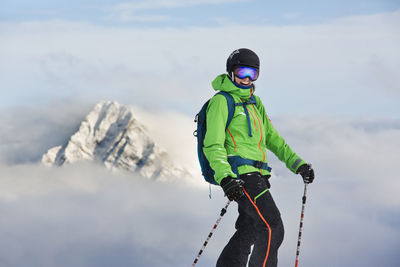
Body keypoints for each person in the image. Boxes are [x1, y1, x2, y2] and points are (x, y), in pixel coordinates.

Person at [203, 48, 315, 267]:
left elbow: (273, 139)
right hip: (241, 174)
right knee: (272, 227)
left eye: (252, 74)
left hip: (259, 174)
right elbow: (213, 144)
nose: (246, 79)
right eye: (242, 72)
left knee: (251, 228)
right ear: (231, 72)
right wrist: (225, 178)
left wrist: (298, 165)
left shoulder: (256, 103)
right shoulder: (221, 101)